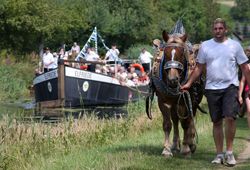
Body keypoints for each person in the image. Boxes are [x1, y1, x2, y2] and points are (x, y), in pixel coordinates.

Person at [181, 18, 250, 166]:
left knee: (230, 118)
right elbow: (199, 68)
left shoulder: (235, 46)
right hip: (212, 88)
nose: (218, 31)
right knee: (217, 122)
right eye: (215, 29)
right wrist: (188, 83)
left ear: (225, 29)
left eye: (220, 28)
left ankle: (229, 153)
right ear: (213, 30)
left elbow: (245, 68)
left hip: (230, 87)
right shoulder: (206, 46)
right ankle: (219, 154)